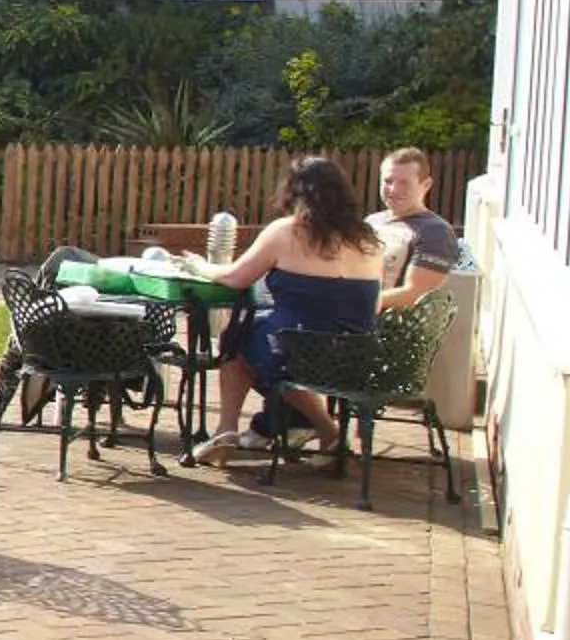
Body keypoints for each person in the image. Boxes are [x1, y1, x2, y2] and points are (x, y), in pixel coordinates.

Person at [182, 156, 384, 470]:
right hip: (355, 355)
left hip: (299, 352)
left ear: (294, 193)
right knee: (252, 337)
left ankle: (234, 431)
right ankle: (270, 429)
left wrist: (199, 265)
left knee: (237, 338)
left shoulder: (287, 232)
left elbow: (236, 278)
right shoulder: (368, 240)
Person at [370, 146, 459, 313]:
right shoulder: (371, 222)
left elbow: (415, 294)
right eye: (388, 181)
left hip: (392, 331)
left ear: (426, 185)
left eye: (404, 183)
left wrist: (353, 302)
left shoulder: (435, 231)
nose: (394, 190)